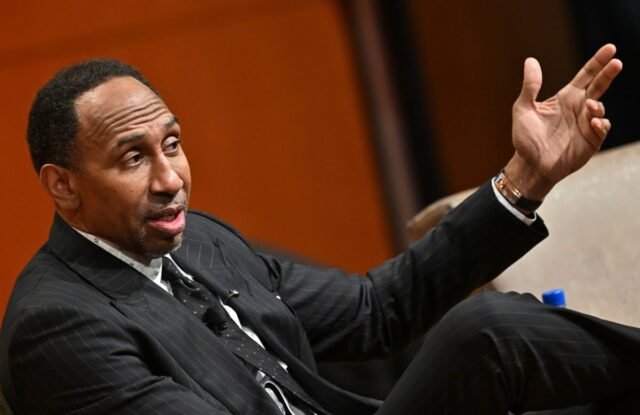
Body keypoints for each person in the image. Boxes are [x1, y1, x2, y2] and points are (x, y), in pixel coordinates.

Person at [0, 43, 637, 415]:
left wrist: (528, 176)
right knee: (487, 335)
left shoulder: (200, 242)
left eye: (172, 144)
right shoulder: (56, 323)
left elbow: (376, 310)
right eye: (134, 158)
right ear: (64, 186)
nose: (171, 179)